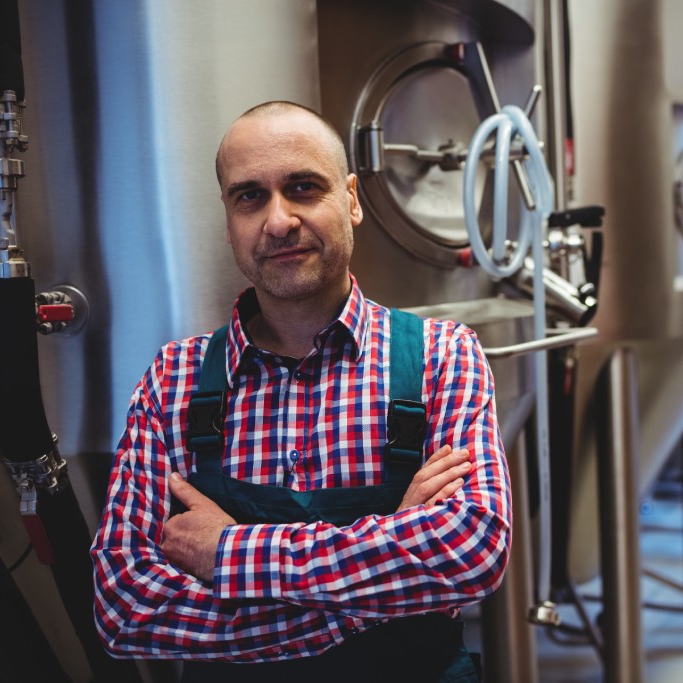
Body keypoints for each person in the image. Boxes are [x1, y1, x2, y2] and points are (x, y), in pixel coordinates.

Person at [91, 101, 511, 681]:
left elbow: (469, 550)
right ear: (228, 219)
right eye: (249, 197)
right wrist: (382, 580)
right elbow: (127, 608)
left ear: (353, 200)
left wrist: (228, 554)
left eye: (303, 188)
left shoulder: (441, 356)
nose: (279, 221)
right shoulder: (176, 378)